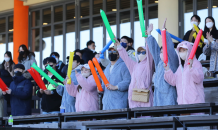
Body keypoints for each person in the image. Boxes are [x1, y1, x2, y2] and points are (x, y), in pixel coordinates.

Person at [116, 36, 154, 108]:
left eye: (143, 52)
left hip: (145, 95)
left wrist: (147, 38)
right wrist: (119, 45)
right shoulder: (134, 65)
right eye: (139, 52)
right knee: (135, 117)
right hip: (134, 95)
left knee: (146, 117)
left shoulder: (149, 65)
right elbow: (125, 57)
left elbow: (150, 52)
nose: (140, 54)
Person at [147, 20, 178, 106]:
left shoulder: (173, 61)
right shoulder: (159, 62)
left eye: (163, 51)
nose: (161, 53)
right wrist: (149, 34)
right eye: (160, 51)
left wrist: (164, 32)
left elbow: (169, 47)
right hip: (158, 96)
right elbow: (154, 49)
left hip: (169, 95)